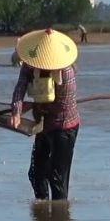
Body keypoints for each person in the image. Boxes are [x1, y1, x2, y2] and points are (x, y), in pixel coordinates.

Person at [9, 28, 79, 200]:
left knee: (57, 177)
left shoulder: (65, 72)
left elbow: (62, 105)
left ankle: (60, 217)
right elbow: (21, 86)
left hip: (64, 125)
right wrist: (16, 111)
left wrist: (35, 106)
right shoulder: (30, 62)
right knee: (35, 173)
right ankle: (41, 207)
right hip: (43, 125)